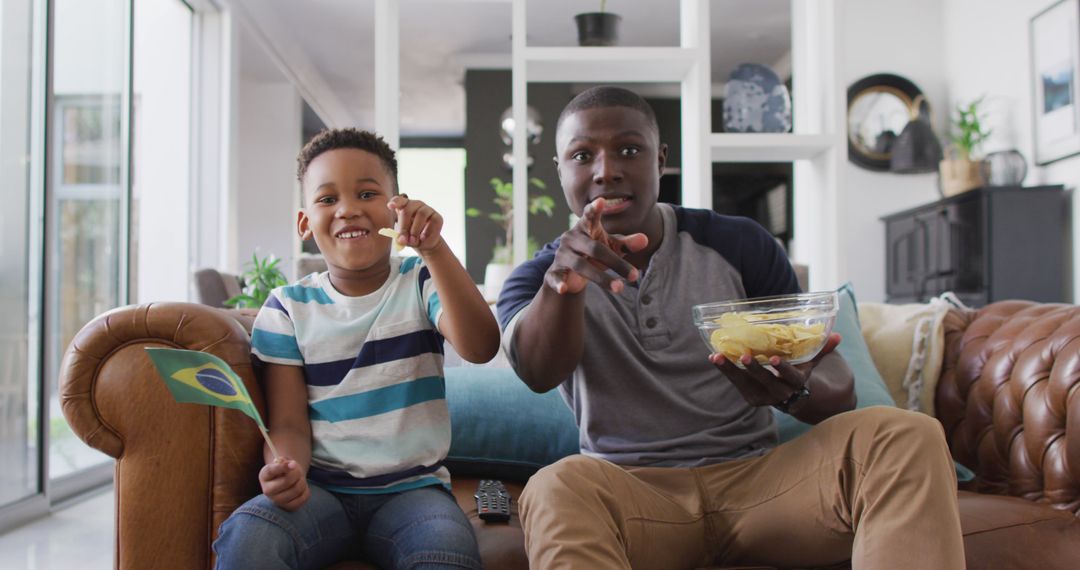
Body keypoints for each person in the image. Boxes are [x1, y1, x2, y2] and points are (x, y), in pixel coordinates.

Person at [496, 86, 964, 569]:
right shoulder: (539, 279)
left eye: (629, 150)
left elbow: (837, 389)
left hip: (761, 483)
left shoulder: (737, 244)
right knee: (555, 486)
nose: (606, 169)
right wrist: (562, 290)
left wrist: (792, 390)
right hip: (632, 495)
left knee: (909, 435)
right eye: (582, 155)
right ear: (560, 171)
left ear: (660, 160)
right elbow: (537, 371)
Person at [214, 128, 499, 570]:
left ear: (398, 206)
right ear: (305, 223)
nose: (348, 209)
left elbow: (481, 347)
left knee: (445, 554)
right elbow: (288, 422)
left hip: (414, 494)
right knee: (249, 535)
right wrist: (285, 465)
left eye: (367, 193)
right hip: (320, 493)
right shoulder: (286, 308)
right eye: (327, 200)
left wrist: (435, 250)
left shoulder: (421, 281)